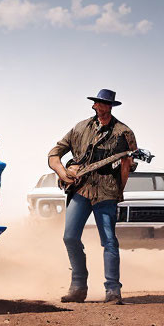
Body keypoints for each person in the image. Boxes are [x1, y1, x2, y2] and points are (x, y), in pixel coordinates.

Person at [47, 89, 137, 304]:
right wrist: (62, 172)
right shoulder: (80, 128)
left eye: (106, 103)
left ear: (111, 106)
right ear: (94, 105)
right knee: (70, 236)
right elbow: (54, 153)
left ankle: (113, 291)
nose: (101, 106)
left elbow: (128, 164)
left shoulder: (124, 132)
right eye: (99, 102)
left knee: (109, 241)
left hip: (106, 191)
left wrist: (118, 190)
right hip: (80, 189)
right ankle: (78, 287)